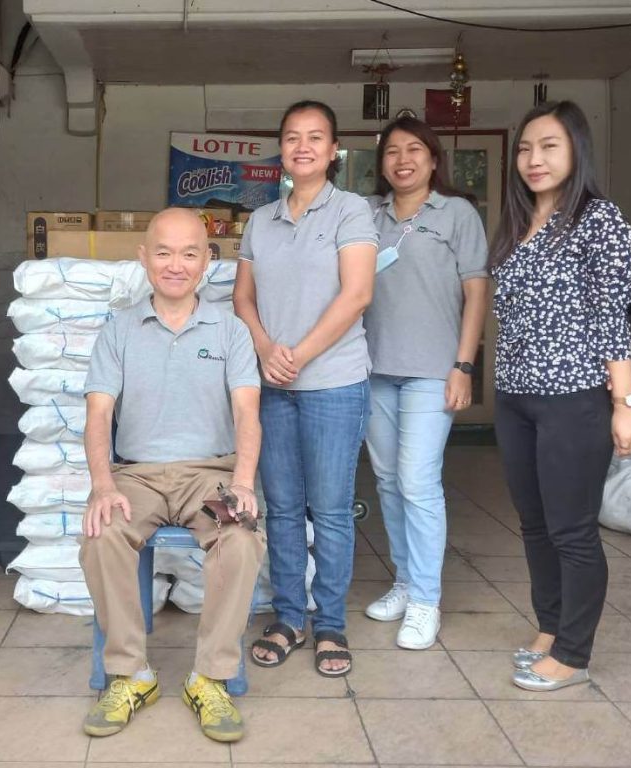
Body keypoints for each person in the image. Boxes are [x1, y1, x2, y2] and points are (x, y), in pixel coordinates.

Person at [79, 207, 265, 743]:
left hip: (212, 475)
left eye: (189, 253)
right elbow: (98, 416)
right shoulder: (118, 329)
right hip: (135, 476)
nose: (176, 264)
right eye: (163, 252)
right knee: (103, 532)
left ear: (208, 261)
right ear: (144, 258)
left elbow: (247, 413)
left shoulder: (230, 330)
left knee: (240, 537)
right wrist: (103, 485)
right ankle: (130, 674)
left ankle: (209, 676)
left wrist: (245, 485)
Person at [490, 101, 631, 691]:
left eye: (549, 146)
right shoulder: (519, 221)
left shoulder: (601, 221)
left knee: (571, 530)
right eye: (526, 148)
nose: (535, 159)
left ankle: (574, 654)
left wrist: (624, 406)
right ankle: (551, 627)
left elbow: (611, 319)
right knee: (533, 523)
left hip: (573, 398)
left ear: (576, 150)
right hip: (515, 397)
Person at [234, 100, 377, 677]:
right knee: (285, 509)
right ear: (282, 150)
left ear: (333, 150)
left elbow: (357, 294)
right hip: (274, 385)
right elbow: (242, 297)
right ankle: (289, 616)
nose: (303, 146)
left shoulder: (352, 211)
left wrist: (300, 355)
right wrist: (268, 349)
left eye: (316, 137)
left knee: (333, 510)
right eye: (292, 137)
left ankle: (331, 625)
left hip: (335, 384)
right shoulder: (260, 220)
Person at [361, 117, 489, 650]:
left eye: (415, 149)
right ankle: (405, 580)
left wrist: (464, 366)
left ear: (435, 160)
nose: (403, 159)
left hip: (432, 371)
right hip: (372, 370)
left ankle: (425, 601)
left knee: (418, 482)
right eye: (392, 151)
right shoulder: (367, 215)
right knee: (389, 482)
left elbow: (477, 292)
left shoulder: (456, 213)